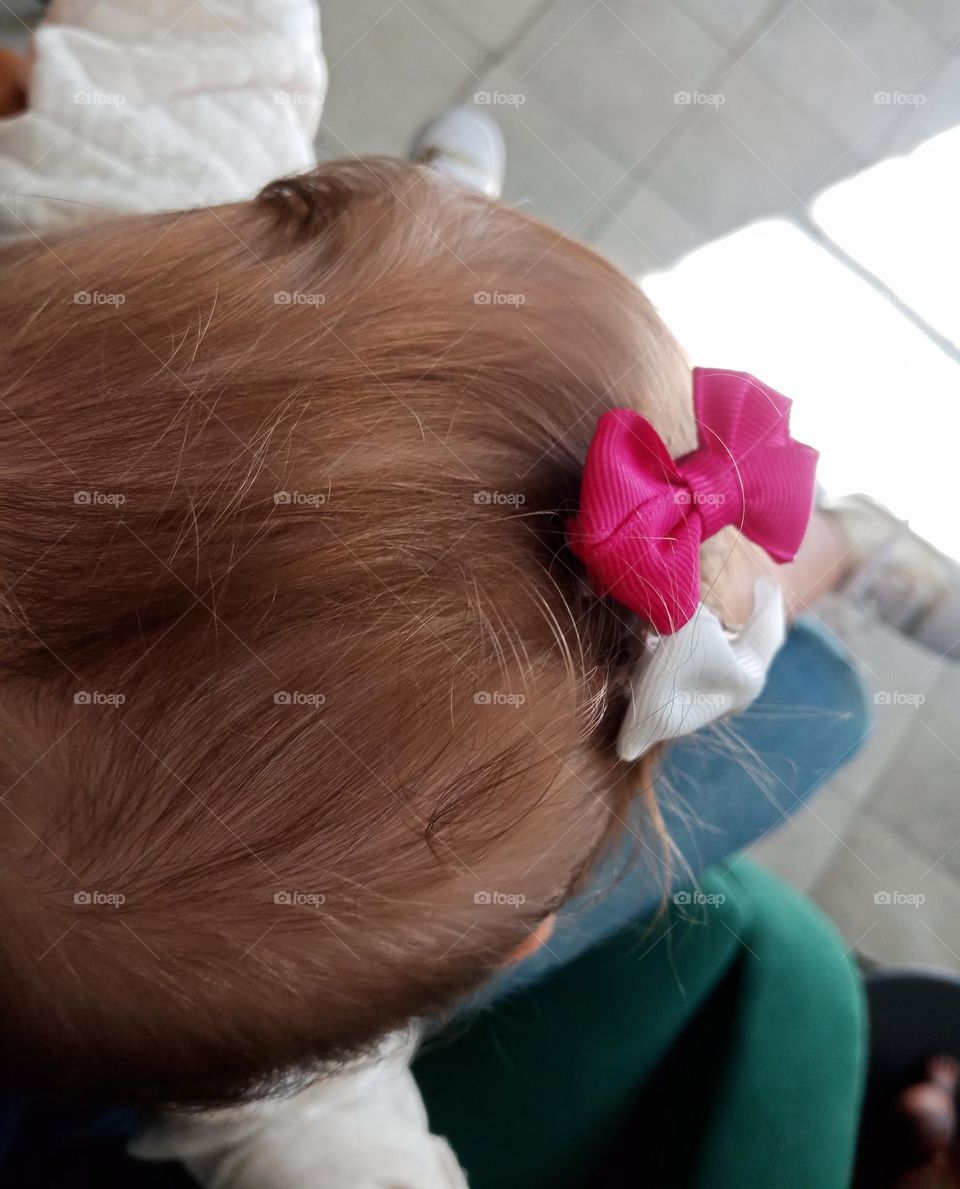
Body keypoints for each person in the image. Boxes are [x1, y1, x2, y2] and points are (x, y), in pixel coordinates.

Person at [1, 3, 959, 1186]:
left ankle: (829, 549)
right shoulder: (305, 1070)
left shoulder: (122, 197)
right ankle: (846, 547)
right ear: (521, 941)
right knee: (822, 696)